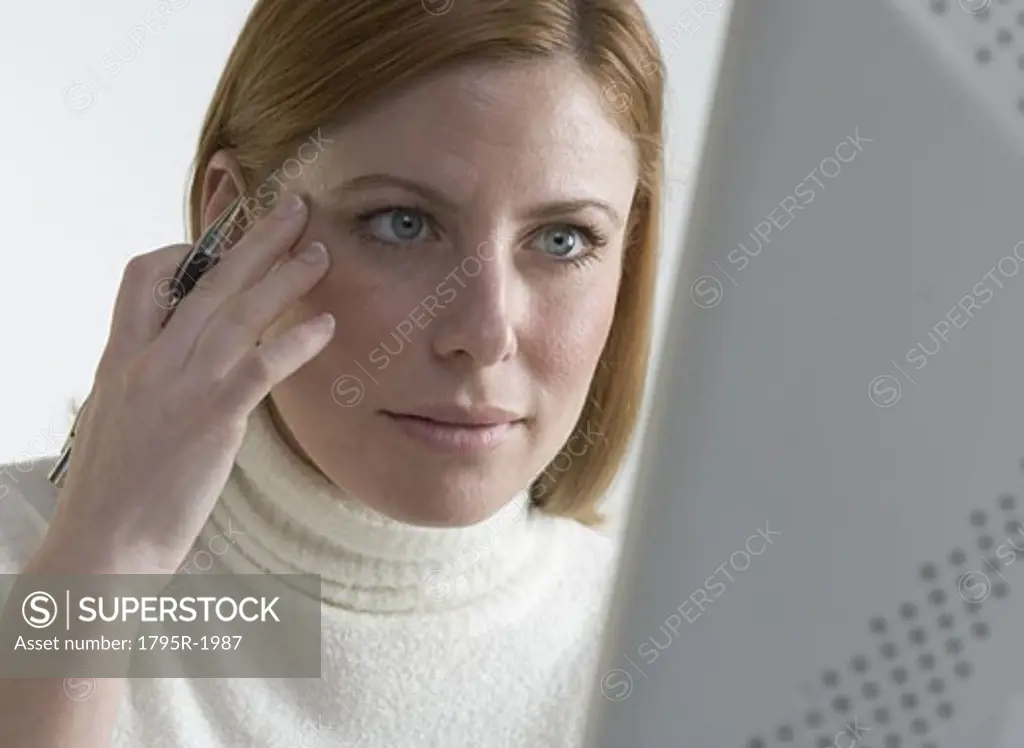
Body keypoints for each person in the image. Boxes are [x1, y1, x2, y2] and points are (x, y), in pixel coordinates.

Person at [0, 0, 664, 745]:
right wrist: (105, 557)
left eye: (564, 239)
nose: (484, 333)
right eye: (401, 224)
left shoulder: (683, 650)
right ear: (235, 223)